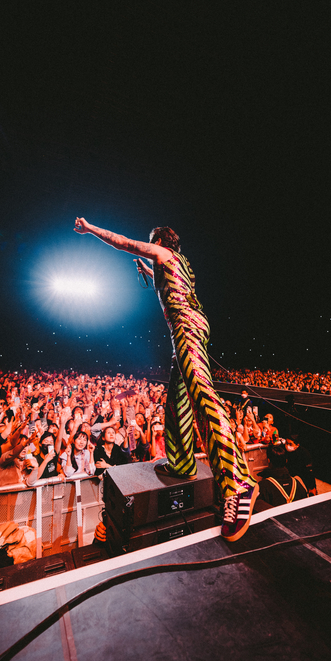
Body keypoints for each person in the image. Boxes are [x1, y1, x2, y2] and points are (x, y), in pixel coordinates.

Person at [74, 217, 258, 541]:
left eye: (152, 242)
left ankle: (238, 484)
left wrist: (90, 229)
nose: (150, 250)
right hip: (186, 332)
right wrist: (148, 273)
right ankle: (183, 463)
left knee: (202, 397)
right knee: (177, 404)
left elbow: (123, 241)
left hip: (186, 330)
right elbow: (169, 285)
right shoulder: (180, 265)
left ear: (160, 242)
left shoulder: (162, 255)